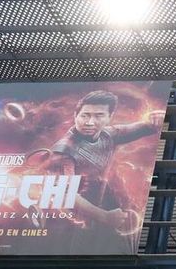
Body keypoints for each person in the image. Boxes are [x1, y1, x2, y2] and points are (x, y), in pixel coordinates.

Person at [42, 90, 164, 251]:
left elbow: (143, 127)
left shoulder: (108, 135)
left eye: (99, 116)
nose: (90, 122)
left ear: (109, 117)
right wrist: (104, 216)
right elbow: (64, 195)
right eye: (85, 115)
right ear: (75, 115)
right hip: (72, 225)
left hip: (104, 214)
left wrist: (156, 118)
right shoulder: (63, 150)